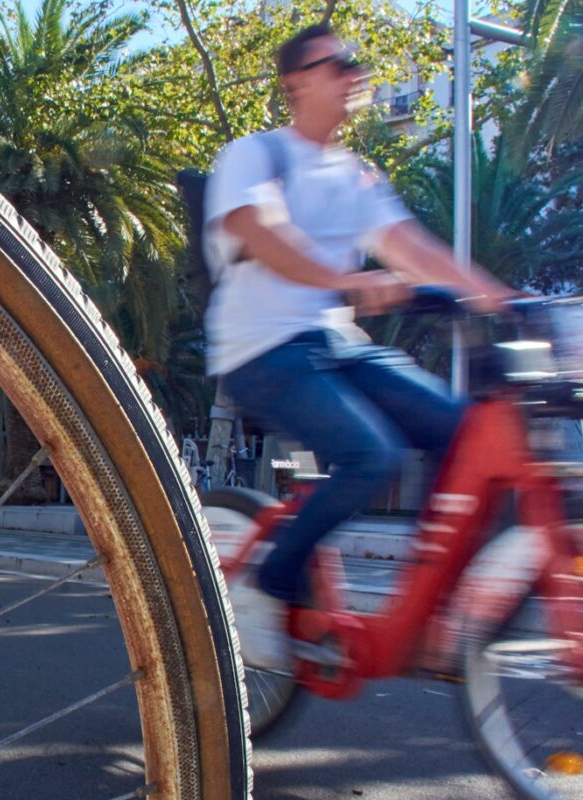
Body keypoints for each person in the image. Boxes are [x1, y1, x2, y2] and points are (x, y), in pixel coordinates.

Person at [203, 24, 513, 669]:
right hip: (263, 347)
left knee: (464, 431)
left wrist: (501, 298)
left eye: (357, 63)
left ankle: (433, 603)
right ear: (296, 83)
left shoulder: (356, 176)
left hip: (334, 343)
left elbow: (412, 247)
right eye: (338, 64)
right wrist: (345, 281)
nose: (355, 74)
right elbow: (259, 230)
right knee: (373, 455)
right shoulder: (257, 155)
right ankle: (269, 583)